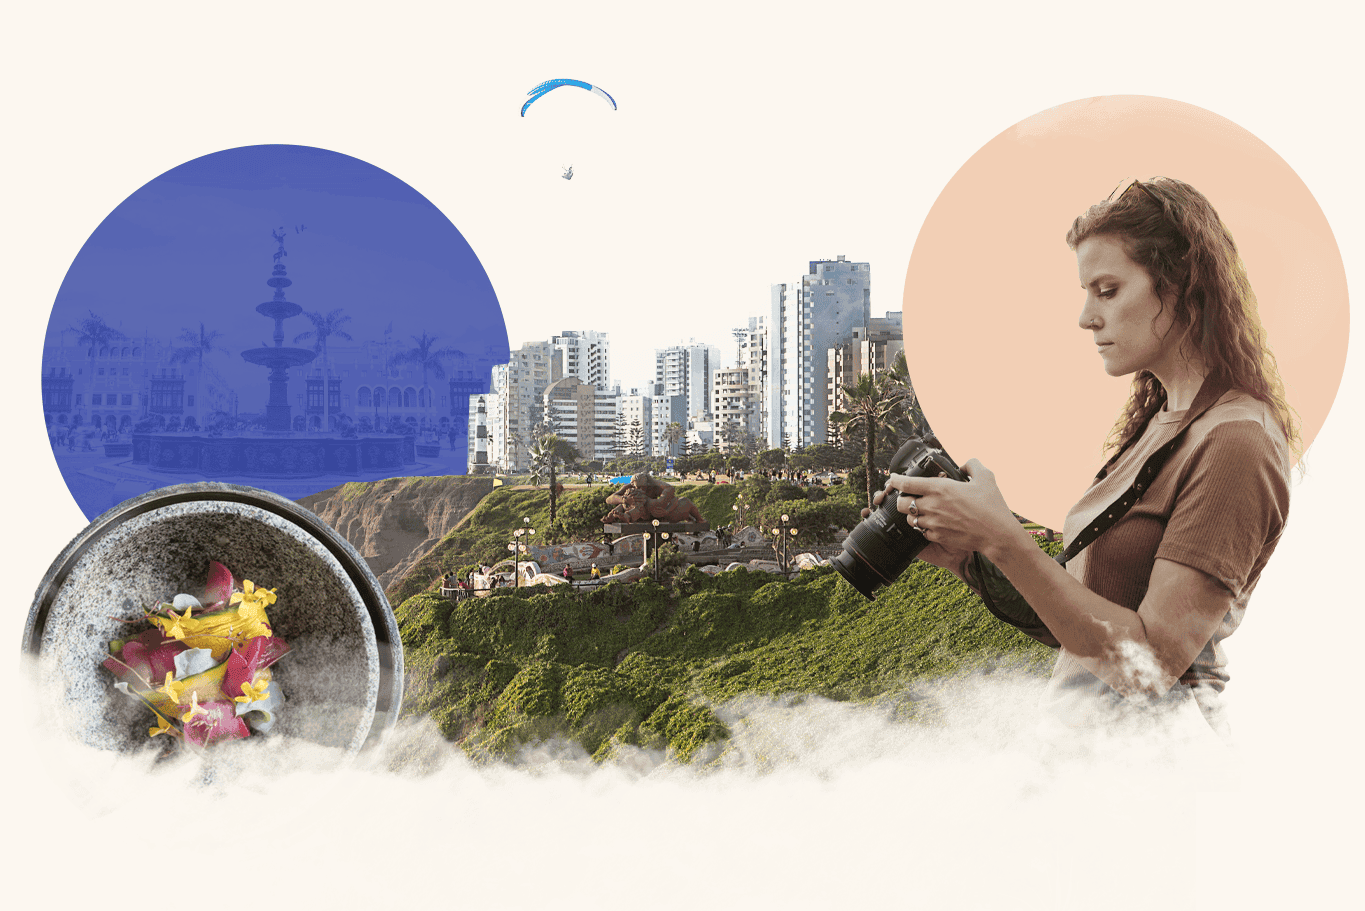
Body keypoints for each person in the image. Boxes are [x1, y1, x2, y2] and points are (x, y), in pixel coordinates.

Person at [877, 177, 1295, 737]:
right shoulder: (1160, 425)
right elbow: (1078, 626)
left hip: (1160, 781)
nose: (1085, 318)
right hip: (1094, 777)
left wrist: (1004, 534)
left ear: (1179, 286)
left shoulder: (1236, 442)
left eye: (1107, 290)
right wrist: (966, 555)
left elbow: (1150, 668)